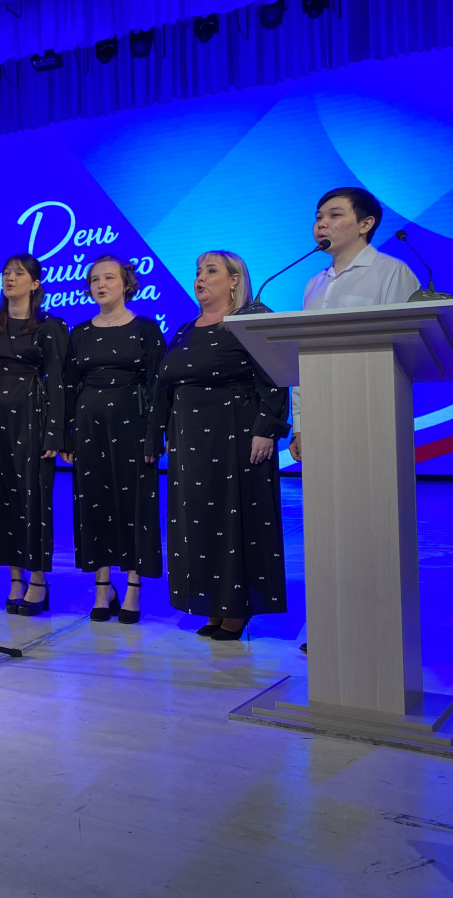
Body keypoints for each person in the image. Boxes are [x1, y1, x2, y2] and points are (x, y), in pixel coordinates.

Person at [144, 252, 290, 641]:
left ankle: (237, 608)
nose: (200, 278)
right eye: (198, 272)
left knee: (233, 520)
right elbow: (163, 387)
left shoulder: (250, 320)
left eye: (211, 271)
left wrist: (267, 429)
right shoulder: (184, 329)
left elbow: (276, 378)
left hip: (235, 436)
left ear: (235, 280)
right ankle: (213, 602)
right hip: (189, 441)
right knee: (198, 522)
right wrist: (155, 434)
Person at [62, 256, 165, 623]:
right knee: (94, 502)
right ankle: (102, 589)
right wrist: (67, 436)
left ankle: (134, 588)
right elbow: (68, 387)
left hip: (132, 424)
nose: (100, 285)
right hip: (89, 426)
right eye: (94, 279)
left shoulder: (145, 328)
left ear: (127, 284)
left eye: (109, 278)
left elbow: (159, 386)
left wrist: (155, 435)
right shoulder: (80, 332)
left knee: (134, 503)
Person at [288, 187, 419, 463]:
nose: (322, 224)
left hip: (373, 415)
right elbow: (303, 356)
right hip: (319, 413)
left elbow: (406, 350)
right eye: (318, 217)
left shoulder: (392, 272)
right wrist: (300, 422)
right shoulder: (315, 283)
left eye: (334, 215)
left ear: (365, 224)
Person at [0, 254, 68, 616]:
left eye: (19, 273)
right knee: (1, 498)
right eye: (6, 272)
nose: (10, 278)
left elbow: (57, 382)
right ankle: (16, 578)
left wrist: (55, 433)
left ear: (35, 283)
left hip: (32, 415)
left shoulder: (49, 326)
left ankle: (39, 580)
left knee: (33, 500)